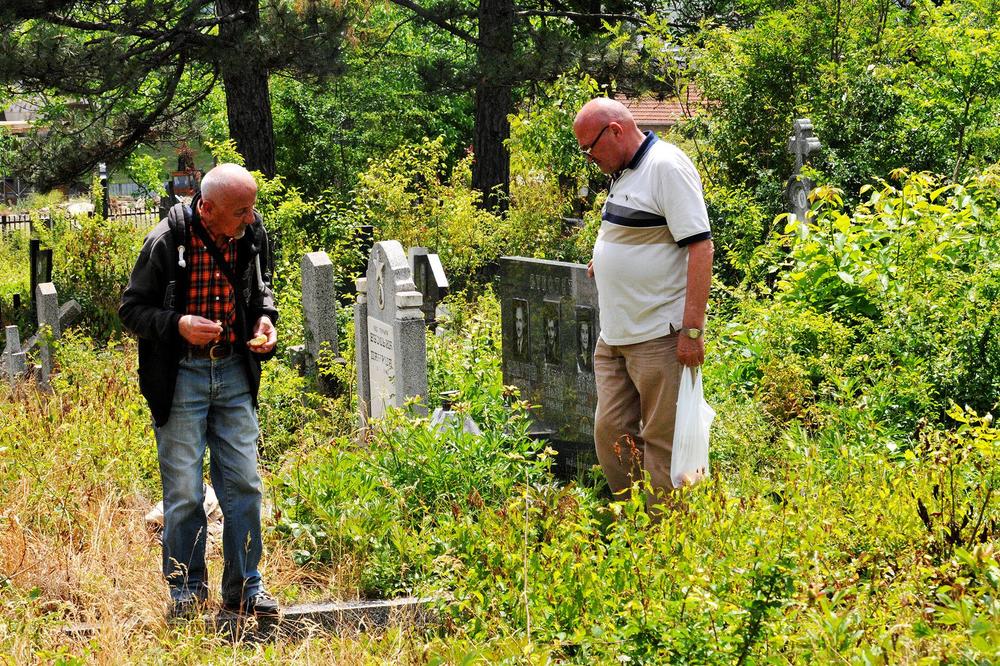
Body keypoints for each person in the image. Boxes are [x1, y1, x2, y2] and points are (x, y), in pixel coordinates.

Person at [119, 163, 280, 619]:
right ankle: (186, 591)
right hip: (181, 375)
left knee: (244, 484)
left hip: (233, 370)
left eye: (252, 209)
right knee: (186, 491)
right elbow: (131, 310)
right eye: (240, 211)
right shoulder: (166, 242)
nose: (250, 219)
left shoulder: (250, 233)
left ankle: (246, 586)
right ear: (206, 208)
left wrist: (265, 321)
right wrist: (178, 325)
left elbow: (261, 290)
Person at [574, 97, 713, 506]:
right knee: (610, 433)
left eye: (589, 147)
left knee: (661, 443)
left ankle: (664, 540)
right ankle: (635, 519)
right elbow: (642, 230)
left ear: (615, 131)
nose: (588, 157)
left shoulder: (666, 167)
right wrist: (606, 258)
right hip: (616, 334)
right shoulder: (623, 171)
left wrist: (691, 330)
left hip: (659, 335)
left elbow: (700, 247)